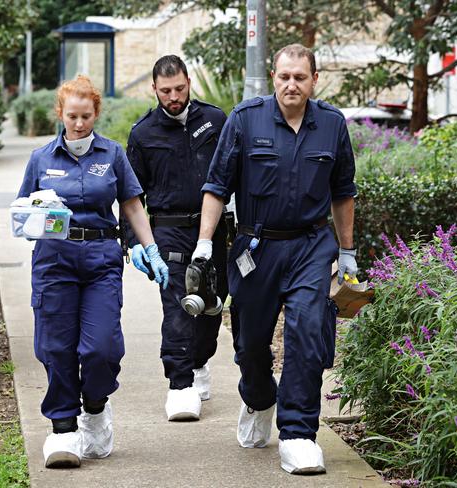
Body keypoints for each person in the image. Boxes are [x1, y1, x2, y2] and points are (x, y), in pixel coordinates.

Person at [192, 44, 357, 474]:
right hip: (256, 248)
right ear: (273, 76)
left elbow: (343, 192)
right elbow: (216, 186)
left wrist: (347, 251)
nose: (291, 84)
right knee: (250, 344)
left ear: (314, 80)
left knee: (306, 333)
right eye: (284, 76)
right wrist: (205, 244)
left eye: (300, 77)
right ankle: (259, 399)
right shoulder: (245, 120)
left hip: (310, 245)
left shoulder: (332, 125)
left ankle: (299, 434)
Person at [17, 75, 169, 469]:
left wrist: (150, 249)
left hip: (101, 258)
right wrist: (38, 216)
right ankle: (63, 429)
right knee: (55, 345)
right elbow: (23, 212)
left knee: (101, 347)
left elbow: (132, 205)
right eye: (72, 117)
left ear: (96, 113)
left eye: (86, 117)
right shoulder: (41, 159)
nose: (79, 124)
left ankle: (96, 406)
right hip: (54, 260)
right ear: (61, 115)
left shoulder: (113, 154)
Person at [124, 55, 229, 421]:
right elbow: (130, 195)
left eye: (180, 89)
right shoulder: (142, 133)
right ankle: (180, 385)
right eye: (166, 91)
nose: (174, 97)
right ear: (154, 89)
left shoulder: (215, 121)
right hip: (168, 230)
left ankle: (199, 363)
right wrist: (134, 242)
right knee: (178, 306)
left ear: (189, 83)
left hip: (215, 228)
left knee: (214, 304)